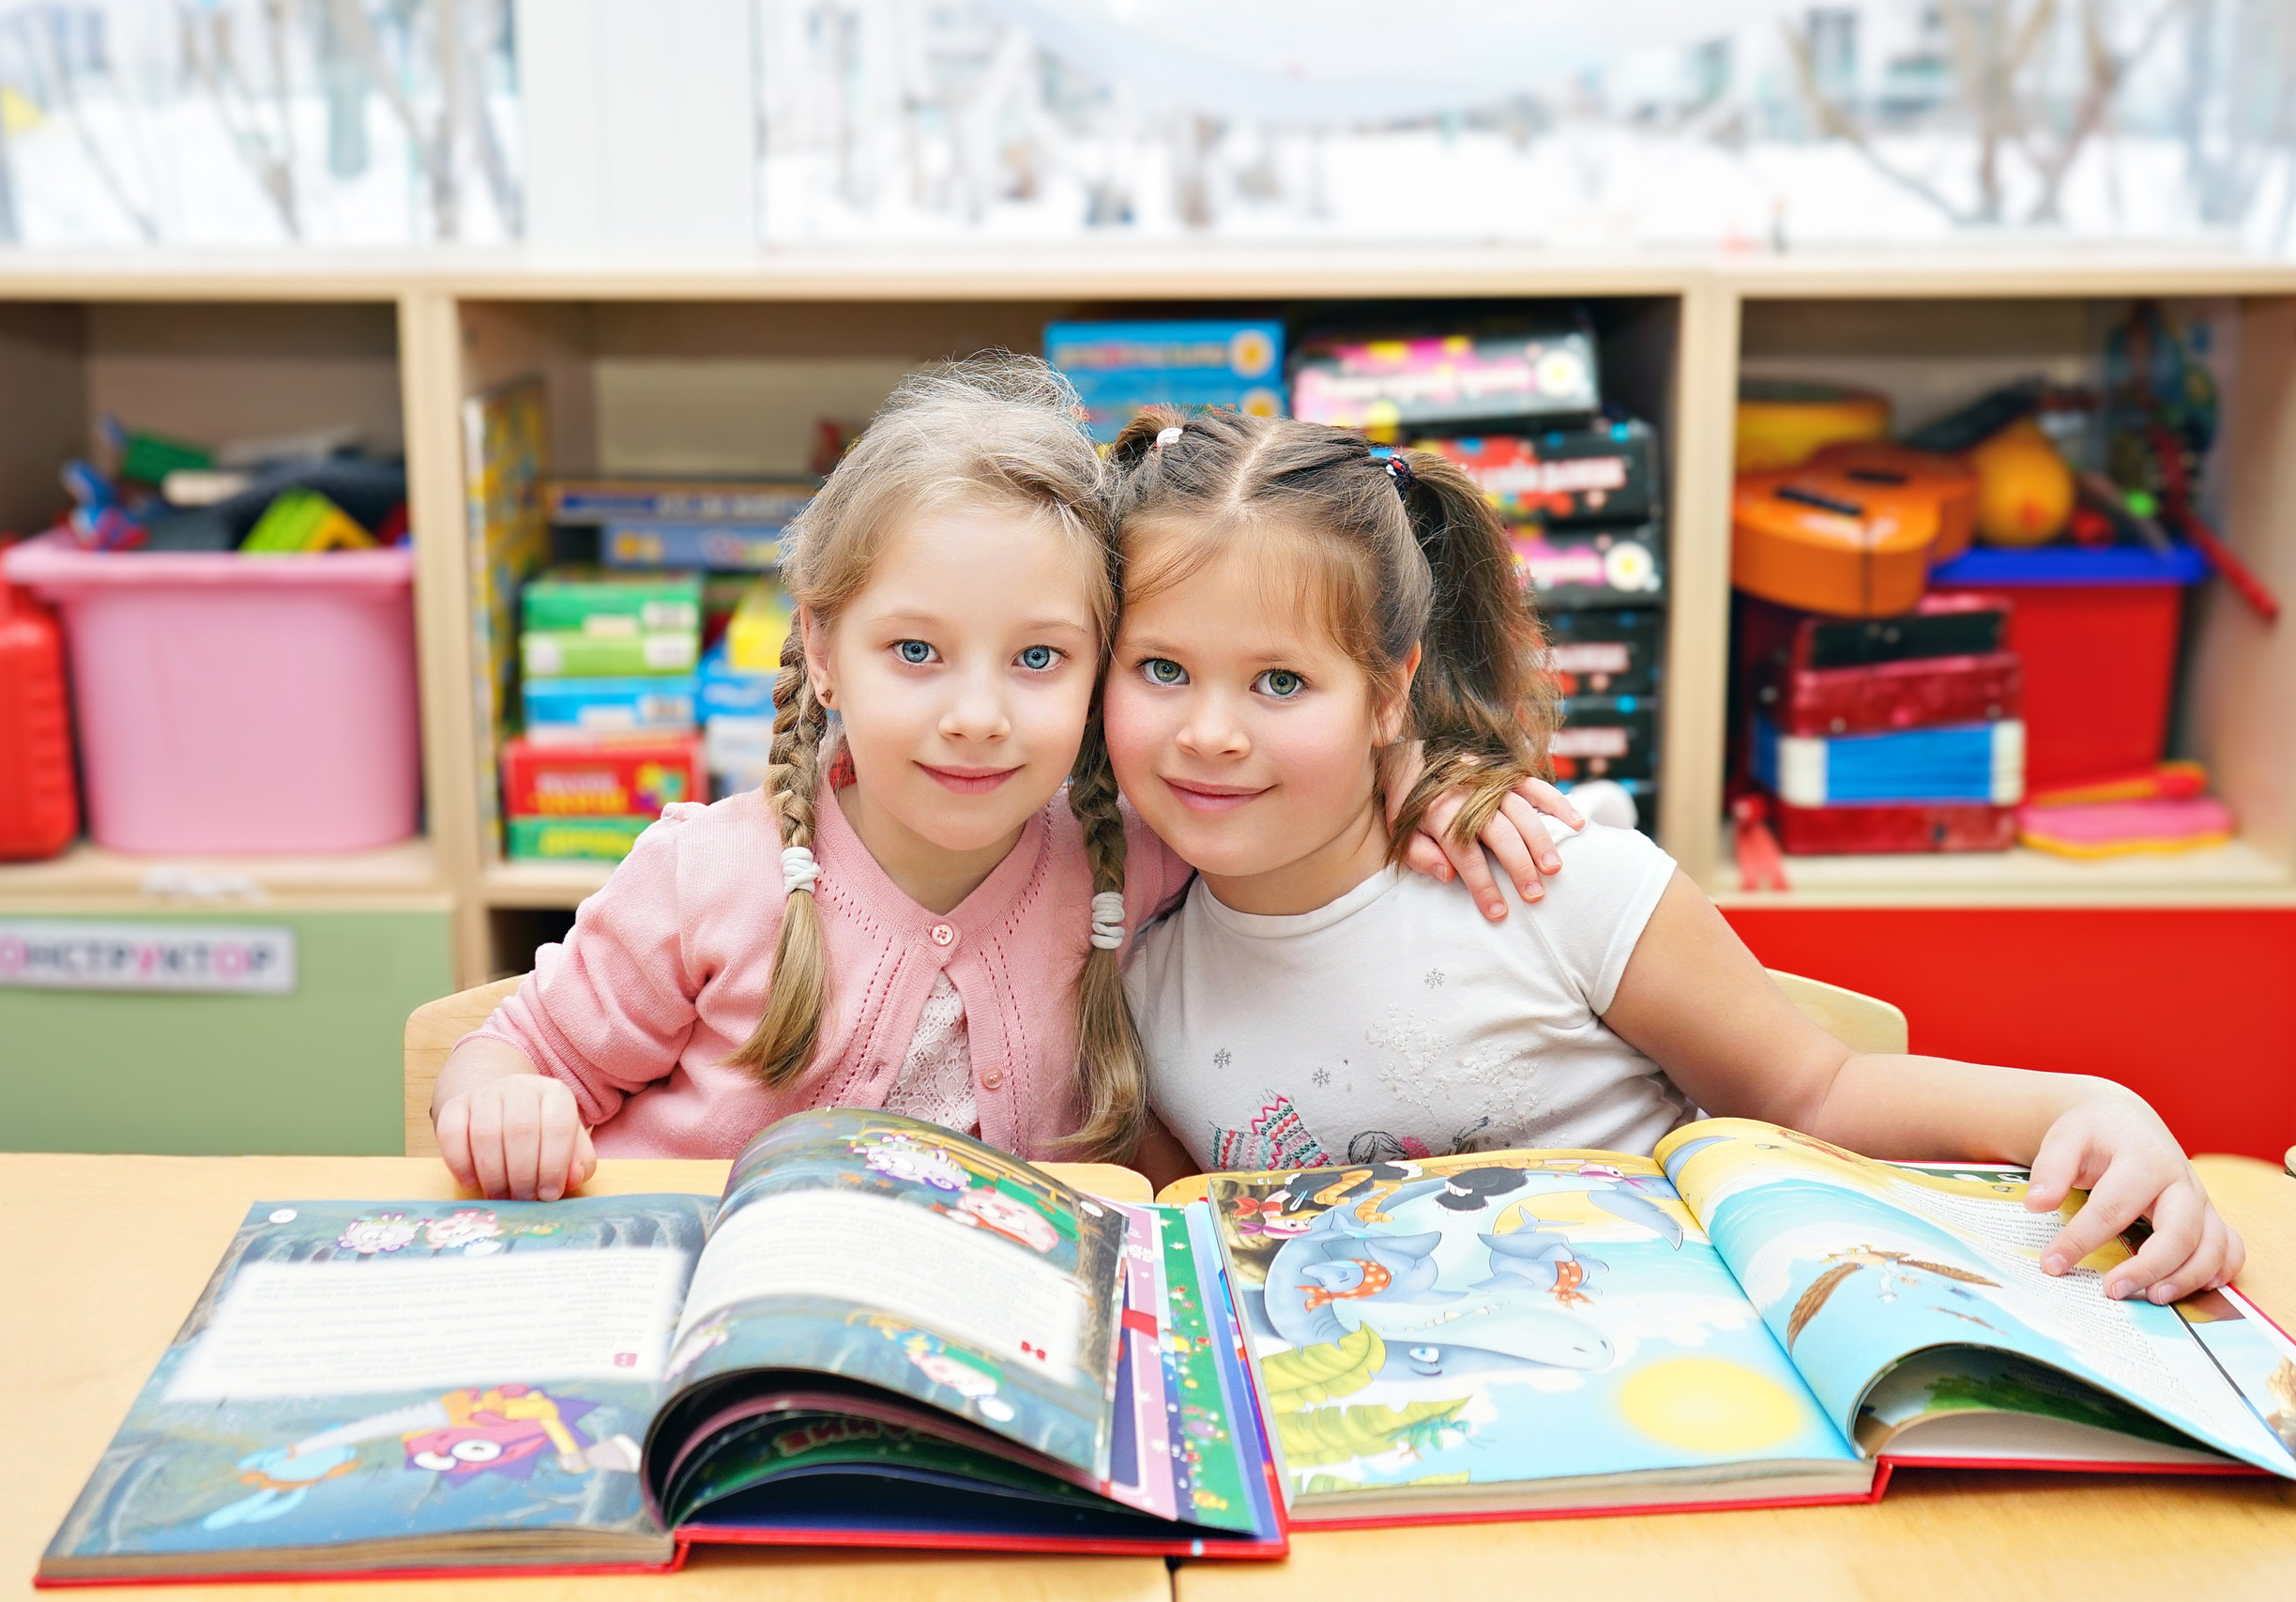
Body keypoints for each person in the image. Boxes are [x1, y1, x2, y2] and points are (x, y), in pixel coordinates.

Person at [1105, 407, 2239, 1306]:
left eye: (1281, 682)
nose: (1211, 732)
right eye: (1162, 669)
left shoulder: (1548, 874)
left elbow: (1819, 1088)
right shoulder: (1134, 974)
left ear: (1390, 690)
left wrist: (2076, 1110)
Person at [429, 357, 1575, 1201]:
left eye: (1037, 658)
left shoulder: (1138, 851)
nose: (975, 718)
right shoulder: (705, 876)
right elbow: (510, 1053)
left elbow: (1293, 789)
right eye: (914, 652)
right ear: (823, 651)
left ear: (1103, 671)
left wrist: (1416, 774)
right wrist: (499, 1099)